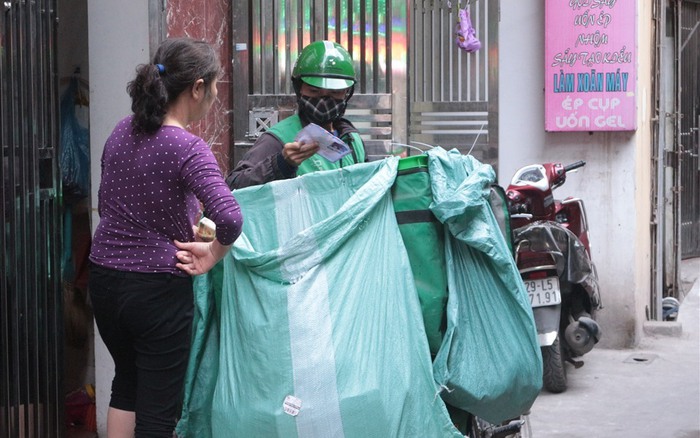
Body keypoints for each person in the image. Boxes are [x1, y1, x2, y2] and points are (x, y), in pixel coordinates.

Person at [88, 37, 243, 437]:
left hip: (104, 280)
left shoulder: (122, 131)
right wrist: (213, 253)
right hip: (156, 290)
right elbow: (230, 218)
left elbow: (108, 202)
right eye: (214, 87)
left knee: (126, 385)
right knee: (158, 411)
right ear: (197, 88)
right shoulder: (187, 147)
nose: (214, 97)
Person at [225, 40, 367, 189]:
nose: (324, 100)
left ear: (347, 93)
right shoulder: (279, 138)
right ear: (299, 89)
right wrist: (281, 164)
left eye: (335, 92)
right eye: (314, 91)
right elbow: (233, 185)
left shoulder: (352, 139)